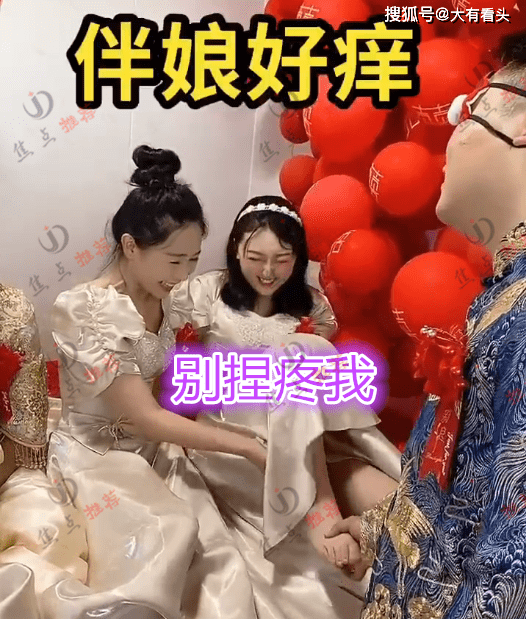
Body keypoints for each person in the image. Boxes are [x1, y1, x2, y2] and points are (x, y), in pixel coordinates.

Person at [324, 32, 526, 618]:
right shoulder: (499, 298)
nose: (452, 125)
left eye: (472, 108)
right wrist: (379, 531)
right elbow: (463, 492)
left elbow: (511, 571)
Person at [43, 145, 276, 619]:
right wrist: (246, 445)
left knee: (222, 557)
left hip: (156, 454)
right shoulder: (85, 309)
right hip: (97, 460)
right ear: (131, 246)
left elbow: (172, 392)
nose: (184, 274)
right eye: (174, 260)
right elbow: (147, 418)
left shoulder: (169, 298)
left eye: (192, 260)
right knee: (169, 532)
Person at [170, 195, 401, 619]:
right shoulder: (204, 294)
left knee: (307, 350)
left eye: (282, 259)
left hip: (299, 436)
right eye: (255, 258)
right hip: (227, 438)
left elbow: (309, 391)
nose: (267, 272)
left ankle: (322, 506)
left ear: (298, 257)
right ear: (235, 248)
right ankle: (319, 514)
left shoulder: (313, 307)